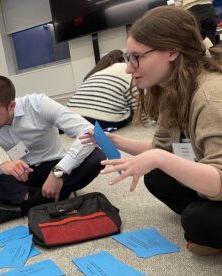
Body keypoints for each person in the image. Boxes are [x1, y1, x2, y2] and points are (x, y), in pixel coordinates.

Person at [81, 6, 222, 256]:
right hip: (210, 180)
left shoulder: (210, 97)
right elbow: (162, 148)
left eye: (138, 57)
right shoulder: (174, 89)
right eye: (128, 58)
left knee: (196, 220)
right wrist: (115, 141)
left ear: (172, 51)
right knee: (156, 177)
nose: (128, 68)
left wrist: (159, 158)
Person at [0, 75, 106, 224]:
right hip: (23, 174)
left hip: (54, 167)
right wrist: (2, 166)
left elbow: (91, 132)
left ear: (11, 106)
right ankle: (51, 197)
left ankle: (25, 206)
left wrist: (58, 172)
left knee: (97, 157)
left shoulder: (39, 104)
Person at [67, 49, 139, 130]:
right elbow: (139, 109)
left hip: (70, 118)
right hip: (97, 120)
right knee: (127, 112)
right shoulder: (127, 70)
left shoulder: (96, 74)